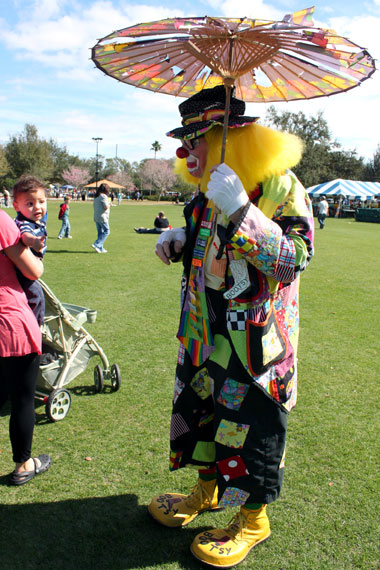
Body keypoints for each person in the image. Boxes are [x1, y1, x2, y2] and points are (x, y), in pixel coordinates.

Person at [149, 85, 314, 568]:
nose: (186, 150)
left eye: (195, 137)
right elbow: (208, 246)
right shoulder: (204, 193)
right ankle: (209, 489)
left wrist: (244, 212)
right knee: (202, 414)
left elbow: (295, 259)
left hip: (255, 347)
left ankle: (253, 518)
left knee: (251, 428)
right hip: (205, 335)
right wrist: (181, 237)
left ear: (229, 138)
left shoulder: (281, 185)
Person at [0, 209, 52, 485]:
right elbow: (34, 270)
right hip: (9, 322)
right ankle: (23, 465)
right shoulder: (1, 220)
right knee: (22, 400)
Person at [12, 175, 48, 326]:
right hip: (22, 269)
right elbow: (25, 236)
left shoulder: (34, 220)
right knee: (36, 296)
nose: (38, 207)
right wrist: (33, 241)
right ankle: (34, 327)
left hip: (26, 267)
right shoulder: (25, 223)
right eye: (30, 203)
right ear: (16, 206)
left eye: (41, 201)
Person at [92, 183, 110, 253]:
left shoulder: (96, 196)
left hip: (96, 216)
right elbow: (106, 207)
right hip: (102, 217)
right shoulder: (103, 196)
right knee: (107, 231)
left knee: (100, 233)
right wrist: (109, 204)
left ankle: (100, 248)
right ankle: (96, 244)